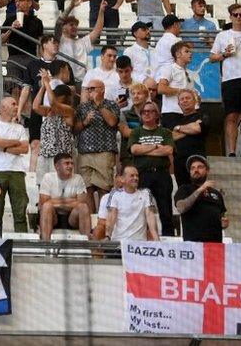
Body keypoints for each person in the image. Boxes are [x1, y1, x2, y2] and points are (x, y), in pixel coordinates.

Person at [210, 4, 241, 157]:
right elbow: (212, 57)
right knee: (231, 116)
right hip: (229, 79)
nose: (239, 17)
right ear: (230, 17)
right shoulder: (222, 35)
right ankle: (231, 151)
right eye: (235, 14)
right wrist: (224, 55)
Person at [0, 96, 29, 233]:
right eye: (13, 104)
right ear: (3, 108)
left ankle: (22, 241)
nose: (16, 106)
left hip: (18, 171)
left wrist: (3, 147)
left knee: (20, 208)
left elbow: (25, 149)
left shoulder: (20, 128)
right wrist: (15, 142)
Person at [73, 78, 120, 211]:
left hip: (104, 152)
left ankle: (102, 221)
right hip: (84, 152)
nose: (89, 92)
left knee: (104, 188)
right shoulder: (82, 107)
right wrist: (85, 122)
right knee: (86, 189)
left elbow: (112, 122)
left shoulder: (111, 105)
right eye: (88, 89)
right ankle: (91, 221)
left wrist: (99, 105)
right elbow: (75, 130)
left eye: (92, 89)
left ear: (102, 90)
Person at [128, 100, 174, 234]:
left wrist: (145, 150)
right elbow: (134, 150)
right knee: (142, 210)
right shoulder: (136, 132)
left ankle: (169, 238)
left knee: (165, 211)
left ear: (157, 114)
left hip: (162, 175)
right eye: (144, 112)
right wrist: (155, 146)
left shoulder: (165, 132)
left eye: (151, 111)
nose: (147, 114)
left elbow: (168, 150)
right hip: (142, 175)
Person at [174, 155, 229, 242]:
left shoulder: (217, 194)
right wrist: (200, 189)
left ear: (207, 171)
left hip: (215, 244)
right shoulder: (184, 189)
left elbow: (222, 216)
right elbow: (181, 208)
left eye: (199, 167)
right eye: (192, 168)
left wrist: (224, 223)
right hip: (193, 243)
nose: (196, 170)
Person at [38, 153, 91, 240]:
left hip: (72, 218)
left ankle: (86, 246)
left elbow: (81, 202)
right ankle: (46, 245)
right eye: (66, 163)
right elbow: (44, 202)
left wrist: (54, 201)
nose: (70, 166)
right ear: (57, 166)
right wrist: (72, 201)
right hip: (53, 217)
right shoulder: (48, 177)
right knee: (47, 207)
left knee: (83, 207)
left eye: (71, 163)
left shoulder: (78, 178)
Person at [100, 165, 159, 242]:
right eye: (132, 176)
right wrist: (108, 236)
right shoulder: (115, 194)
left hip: (139, 244)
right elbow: (111, 216)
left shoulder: (146, 193)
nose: (135, 178)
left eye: (137, 176)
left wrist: (156, 238)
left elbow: (150, 216)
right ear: (122, 179)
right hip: (119, 242)